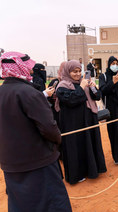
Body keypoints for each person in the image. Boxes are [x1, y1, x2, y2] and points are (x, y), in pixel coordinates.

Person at [0, 51, 72, 211]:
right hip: (38, 163)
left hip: (11, 165)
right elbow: (49, 128)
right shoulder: (30, 93)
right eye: (29, 67)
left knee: (21, 204)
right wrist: (58, 140)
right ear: (21, 68)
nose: (31, 70)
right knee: (51, 204)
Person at [56, 60, 107, 184]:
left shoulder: (83, 83)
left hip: (88, 119)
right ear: (68, 72)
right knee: (76, 147)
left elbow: (97, 97)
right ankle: (76, 174)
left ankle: (93, 169)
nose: (78, 74)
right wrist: (82, 87)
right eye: (74, 71)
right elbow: (72, 100)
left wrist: (93, 88)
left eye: (79, 71)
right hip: (73, 123)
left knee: (90, 144)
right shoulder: (62, 86)